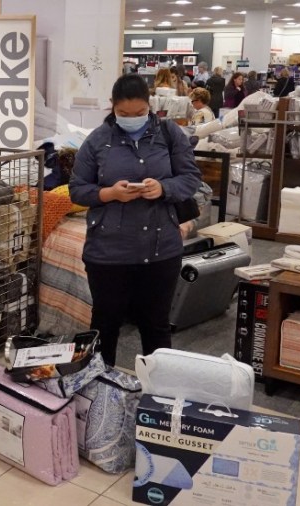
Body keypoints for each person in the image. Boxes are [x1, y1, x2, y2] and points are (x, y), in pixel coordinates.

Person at [69, 74, 201, 367]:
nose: (132, 119)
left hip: (160, 249)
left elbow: (191, 178)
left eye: (140, 113)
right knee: (105, 326)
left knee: (156, 326)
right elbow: (77, 189)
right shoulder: (97, 141)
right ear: (112, 107)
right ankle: (101, 398)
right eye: (123, 114)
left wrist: (164, 188)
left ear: (150, 105)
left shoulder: (169, 134)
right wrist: (109, 193)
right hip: (108, 252)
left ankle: (158, 402)